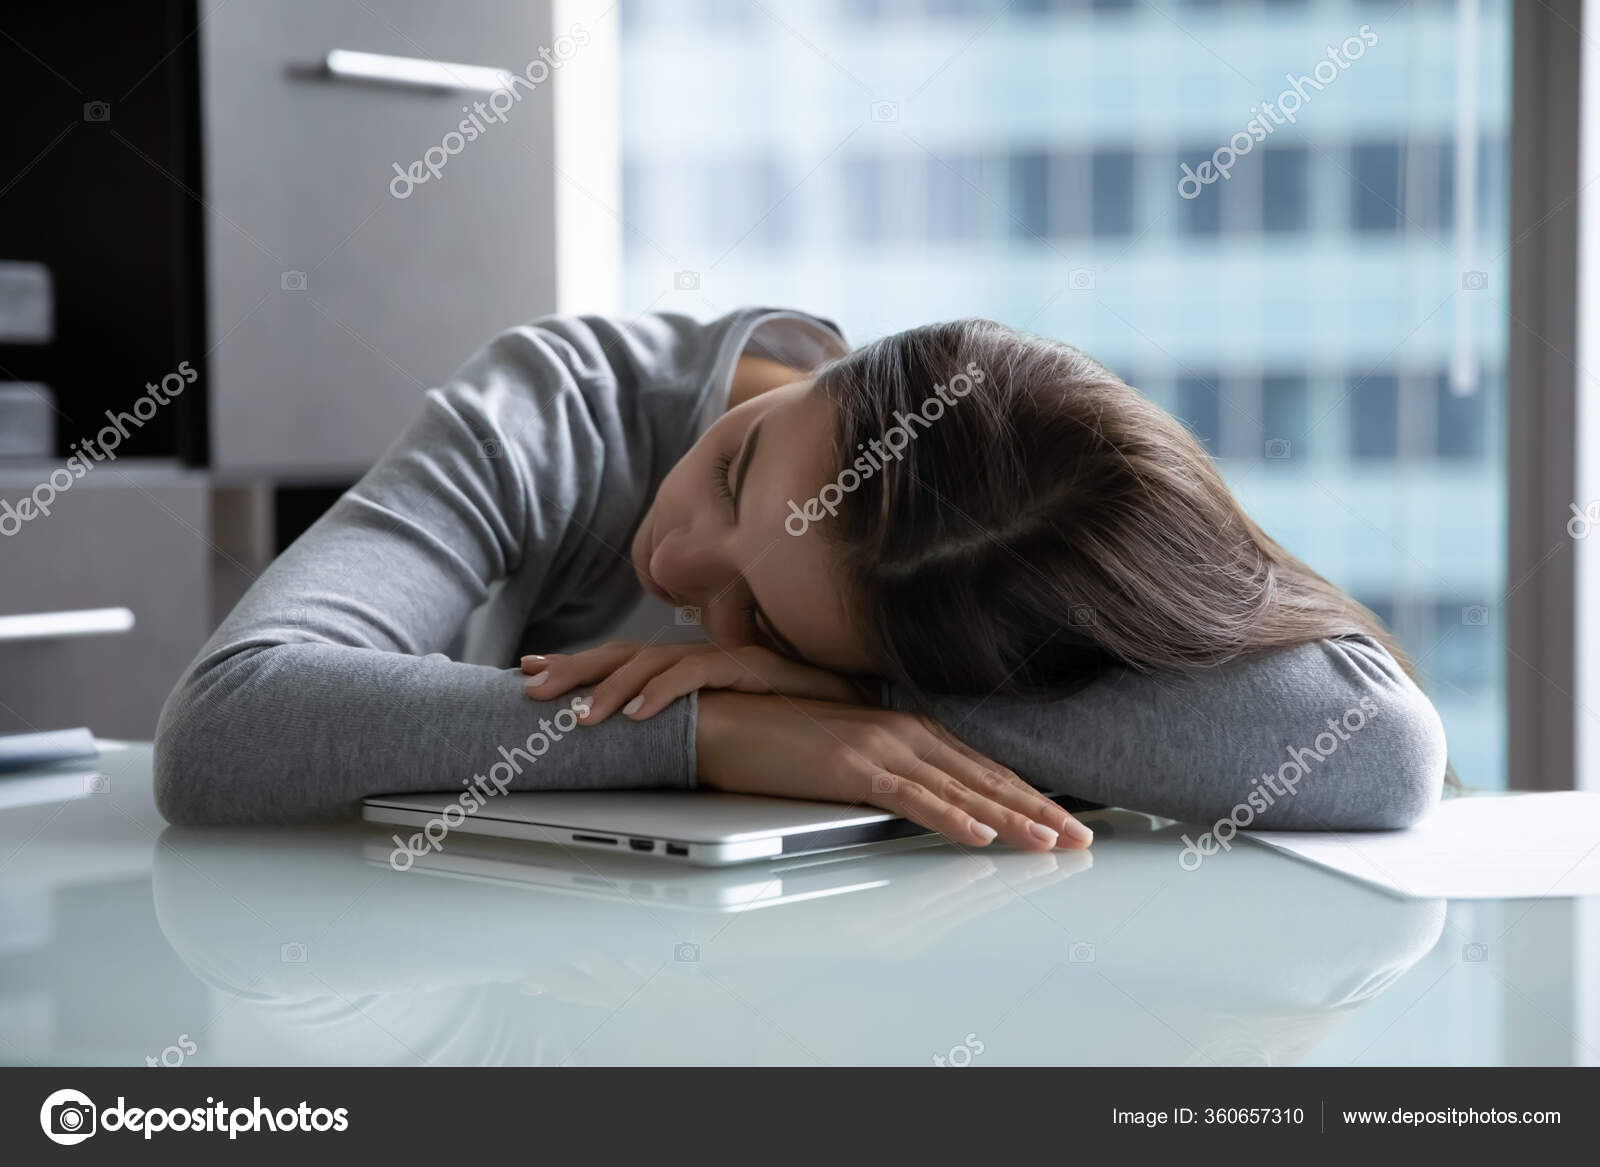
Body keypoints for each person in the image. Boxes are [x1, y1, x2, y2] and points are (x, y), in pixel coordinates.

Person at [154, 308, 1447, 850]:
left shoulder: (987, 548)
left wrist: (880, 702)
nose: (673, 563)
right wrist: (727, 733)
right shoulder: (561, 408)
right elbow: (230, 726)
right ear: (842, 367)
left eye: (758, 616)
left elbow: (1375, 749)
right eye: (734, 471)